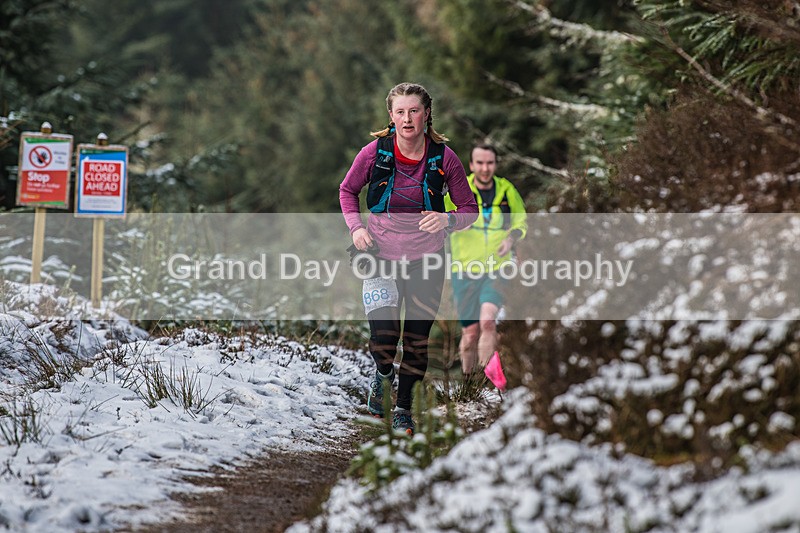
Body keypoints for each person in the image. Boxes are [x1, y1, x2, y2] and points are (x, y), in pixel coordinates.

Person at [339, 82, 478, 435]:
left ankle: (402, 410)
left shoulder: (445, 158)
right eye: (400, 112)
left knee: (416, 341)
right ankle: (382, 376)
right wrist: (356, 228)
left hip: (427, 260)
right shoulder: (373, 153)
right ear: (391, 116)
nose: (407, 118)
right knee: (384, 338)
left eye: (414, 110)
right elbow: (347, 190)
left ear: (426, 114)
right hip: (380, 257)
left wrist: (447, 219)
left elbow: (469, 209)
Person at [444, 143, 527, 375]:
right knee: (470, 334)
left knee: (488, 322)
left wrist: (511, 238)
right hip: (464, 269)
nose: (485, 168)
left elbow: (521, 221)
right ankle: (469, 383)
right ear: (472, 165)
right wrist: (453, 224)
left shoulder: (506, 190)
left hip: (497, 267)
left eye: (489, 163)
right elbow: (441, 218)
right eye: (480, 163)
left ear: (495, 164)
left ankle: (487, 385)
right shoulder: (459, 189)